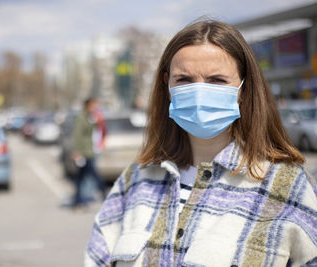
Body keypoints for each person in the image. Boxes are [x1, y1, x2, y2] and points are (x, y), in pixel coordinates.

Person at [84, 20, 317, 266]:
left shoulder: (287, 186)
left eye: (217, 80)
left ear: (243, 89)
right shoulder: (136, 179)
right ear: (168, 85)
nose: (199, 92)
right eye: (184, 79)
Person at [71, 97, 107, 207]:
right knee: (92, 175)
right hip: (84, 152)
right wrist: (76, 151)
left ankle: (77, 200)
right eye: (93, 106)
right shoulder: (81, 118)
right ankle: (104, 193)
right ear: (88, 105)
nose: (95, 108)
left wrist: (99, 121)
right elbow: (77, 135)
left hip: (89, 151)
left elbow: (94, 129)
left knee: (82, 177)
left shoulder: (89, 117)